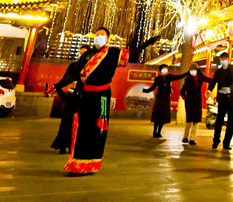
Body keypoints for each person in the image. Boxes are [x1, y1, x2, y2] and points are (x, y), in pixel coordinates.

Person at [57, 28, 160, 175]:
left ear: (108, 39)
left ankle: (92, 163)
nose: (98, 37)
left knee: (99, 128)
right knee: (83, 128)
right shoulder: (87, 55)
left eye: (102, 35)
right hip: (86, 96)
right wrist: (59, 85)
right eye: (97, 35)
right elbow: (74, 74)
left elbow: (132, 54)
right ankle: (78, 163)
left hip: (103, 96)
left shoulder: (113, 53)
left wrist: (146, 44)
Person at [50, 44, 90, 153]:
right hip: (72, 95)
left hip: (85, 96)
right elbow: (65, 79)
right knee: (67, 120)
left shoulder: (91, 67)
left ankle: (76, 145)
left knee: (81, 123)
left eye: (84, 54)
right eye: (80, 54)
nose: (82, 56)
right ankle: (63, 145)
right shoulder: (73, 66)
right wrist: (58, 86)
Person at [207, 52, 233, 149]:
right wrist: (209, 90)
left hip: (232, 100)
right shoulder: (218, 72)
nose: (224, 61)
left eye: (225, 59)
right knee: (219, 121)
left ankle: (226, 143)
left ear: (229, 60)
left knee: (231, 122)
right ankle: (215, 141)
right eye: (222, 59)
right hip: (222, 100)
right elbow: (213, 82)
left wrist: (230, 89)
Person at [143, 65, 181, 138]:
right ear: (160, 70)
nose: (165, 69)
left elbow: (178, 77)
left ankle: (159, 132)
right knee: (157, 116)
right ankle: (154, 132)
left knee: (163, 116)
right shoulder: (158, 78)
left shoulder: (169, 77)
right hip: (159, 98)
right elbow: (153, 87)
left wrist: (187, 73)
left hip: (166, 98)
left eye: (166, 68)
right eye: (163, 68)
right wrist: (146, 91)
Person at [180, 62, 210, 145]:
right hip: (189, 101)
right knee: (189, 120)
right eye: (191, 70)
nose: (192, 71)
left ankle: (192, 138)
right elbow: (182, 91)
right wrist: (185, 98)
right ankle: (185, 137)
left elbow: (209, 80)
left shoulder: (200, 77)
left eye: (194, 69)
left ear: (197, 70)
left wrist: (217, 81)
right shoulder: (187, 79)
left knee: (196, 120)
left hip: (197, 101)